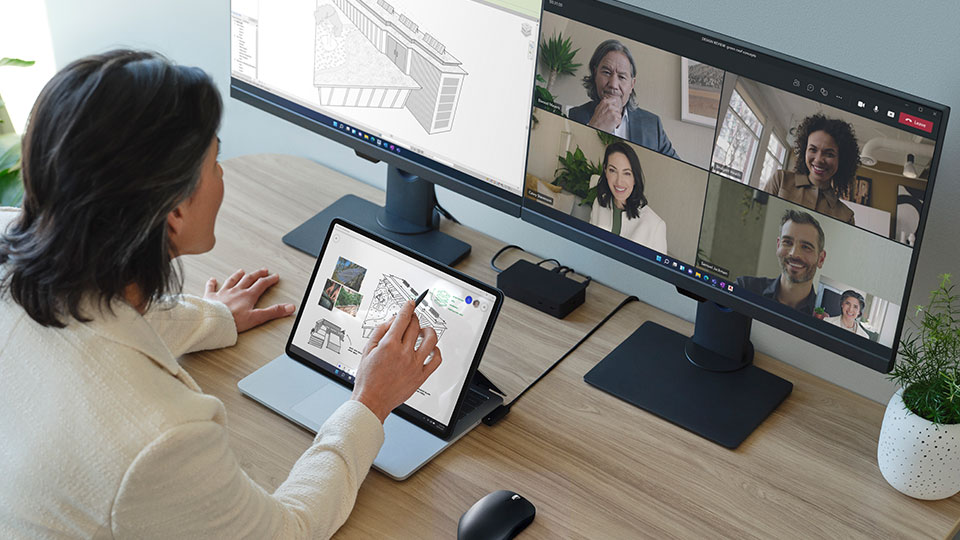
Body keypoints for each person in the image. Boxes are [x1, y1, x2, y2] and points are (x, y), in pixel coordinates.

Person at [0, 50, 442, 538]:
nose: (223, 174)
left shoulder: (16, 254)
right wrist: (369, 403)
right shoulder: (163, 438)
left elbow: (91, 317)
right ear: (175, 214)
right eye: (215, 160)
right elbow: (288, 530)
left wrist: (213, 317)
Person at [567, 39, 679, 159]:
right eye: (606, 72)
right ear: (595, 75)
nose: (613, 84)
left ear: (632, 84)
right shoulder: (574, 116)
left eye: (621, 77)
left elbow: (678, 168)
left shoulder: (652, 125)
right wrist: (594, 128)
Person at [763, 114, 859, 225]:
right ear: (804, 150)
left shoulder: (846, 216)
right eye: (813, 149)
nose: (818, 160)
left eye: (829, 154)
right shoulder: (780, 180)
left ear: (841, 160)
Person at [735, 210, 827, 315]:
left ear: (821, 259)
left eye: (806, 247)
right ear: (778, 245)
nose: (794, 253)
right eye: (787, 242)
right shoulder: (744, 288)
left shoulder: (824, 319)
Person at [589, 141, 667, 253]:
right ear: (605, 170)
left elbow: (657, 270)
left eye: (627, 173)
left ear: (635, 178)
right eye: (612, 171)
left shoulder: (655, 225)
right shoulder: (598, 204)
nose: (619, 181)